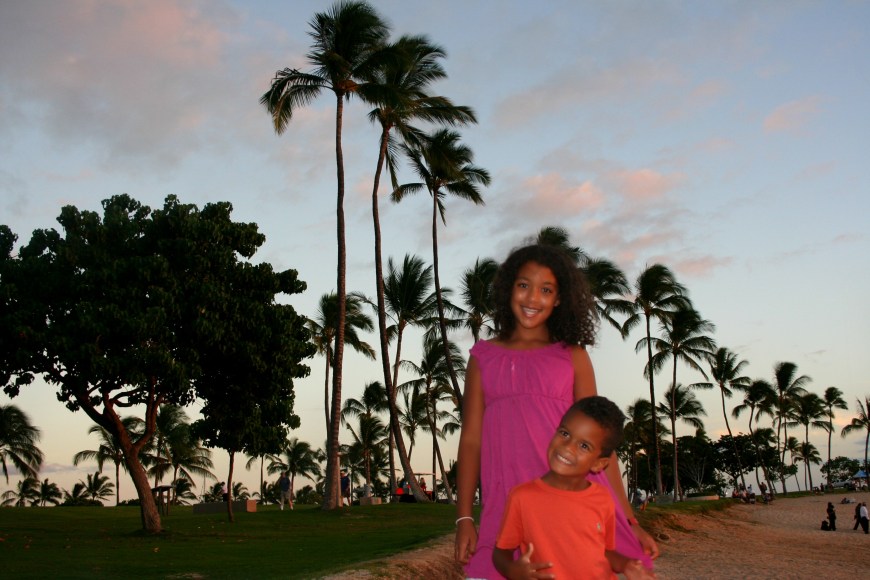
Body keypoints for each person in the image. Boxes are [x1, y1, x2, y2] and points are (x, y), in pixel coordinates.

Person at [454, 244, 659, 579]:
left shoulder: (573, 356)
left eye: (546, 290)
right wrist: (464, 518)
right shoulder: (483, 357)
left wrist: (629, 519)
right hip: (506, 500)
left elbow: (600, 442)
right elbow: (471, 440)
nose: (533, 298)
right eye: (524, 285)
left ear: (559, 298)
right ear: (509, 288)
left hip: (570, 499)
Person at [493, 397, 655, 580]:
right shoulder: (522, 497)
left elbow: (605, 552)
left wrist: (626, 565)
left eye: (584, 446)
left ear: (598, 464)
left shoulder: (602, 498)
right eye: (564, 433)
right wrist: (511, 570)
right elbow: (501, 552)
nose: (568, 447)